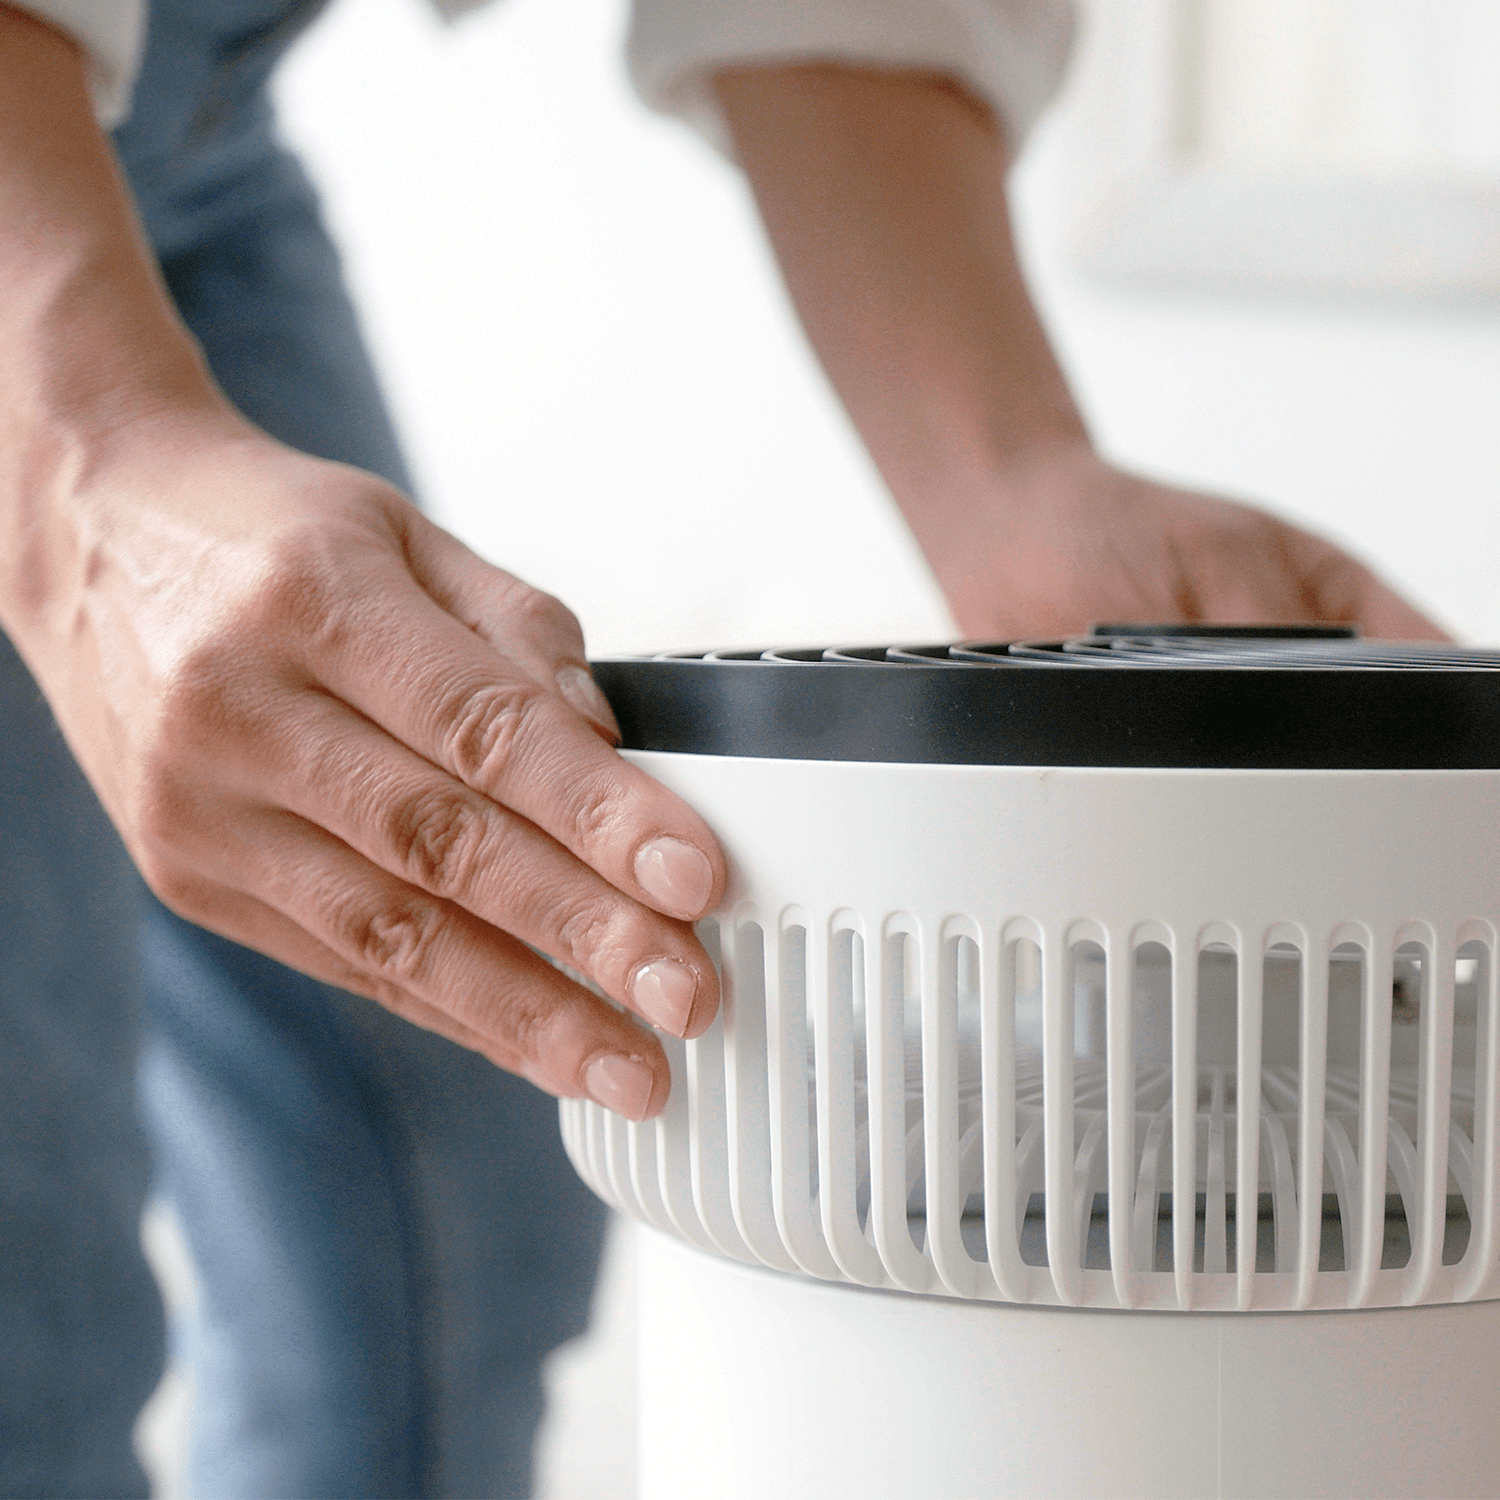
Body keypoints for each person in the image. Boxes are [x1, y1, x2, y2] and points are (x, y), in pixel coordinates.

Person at [0, 0, 1445, 1496]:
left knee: (449, 1209)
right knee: (31, 1305)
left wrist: (1000, 471)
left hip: (192, 130)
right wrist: (75, 476)